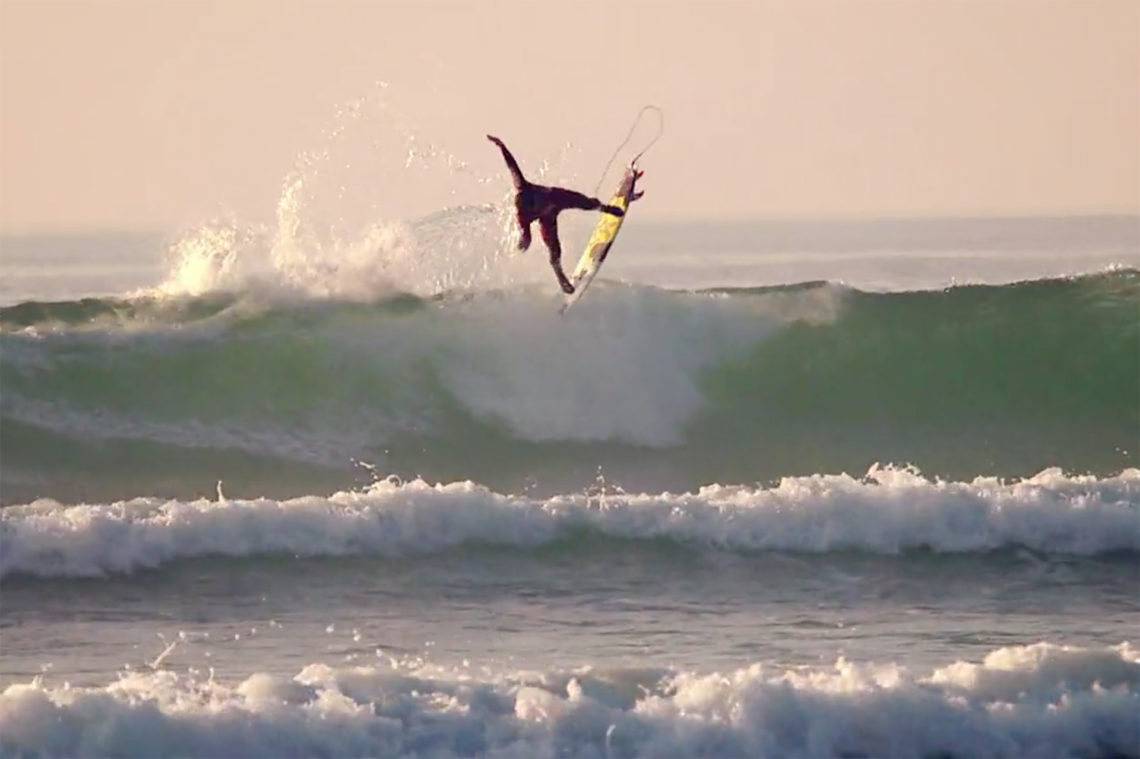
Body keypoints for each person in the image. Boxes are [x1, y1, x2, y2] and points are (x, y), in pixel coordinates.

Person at [487, 134, 631, 294]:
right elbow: (526, 236)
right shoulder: (523, 216)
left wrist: (502, 146)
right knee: (554, 249)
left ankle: (605, 208)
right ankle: (561, 277)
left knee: (587, 203)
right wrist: (523, 244)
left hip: (556, 197)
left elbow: (512, 167)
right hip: (547, 217)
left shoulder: (522, 187)